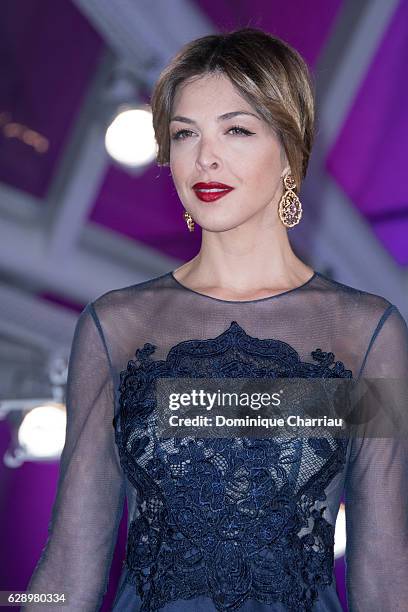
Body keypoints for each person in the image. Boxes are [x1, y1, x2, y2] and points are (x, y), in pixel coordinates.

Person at [23, 27, 408, 612]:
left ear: (289, 147)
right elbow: (72, 557)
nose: (205, 156)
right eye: (185, 134)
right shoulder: (118, 326)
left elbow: (385, 573)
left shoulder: (364, 332)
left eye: (236, 129)